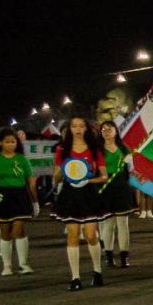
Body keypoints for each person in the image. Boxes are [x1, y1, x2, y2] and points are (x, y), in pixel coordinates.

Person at [54, 116, 109, 289]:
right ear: (69, 129)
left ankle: (97, 271)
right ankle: (75, 278)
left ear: (86, 128)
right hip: (70, 193)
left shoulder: (94, 149)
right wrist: (62, 171)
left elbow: (104, 176)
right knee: (72, 234)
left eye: (81, 126)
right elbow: (56, 177)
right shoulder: (62, 149)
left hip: (88, 193)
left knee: (91, 234)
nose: (78, 129)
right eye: (74, 126)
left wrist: (88, 180)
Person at [0, 127, 38, 275]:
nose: (11, 144)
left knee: (19, 229)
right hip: (0, 197)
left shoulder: (22, 159)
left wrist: (35, 202)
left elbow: (31, 182)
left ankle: (23, 264)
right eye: (7, 142)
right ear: (0, 143)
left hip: (20, 196)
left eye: (13, 142)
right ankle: (7, 266)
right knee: (5, 232)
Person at [97, 120, 137, 269]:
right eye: (103, 129)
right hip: (105, 187)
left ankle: (124, 256)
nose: (106, 132)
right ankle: (108, 256)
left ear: (116, 131)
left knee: (123, 224)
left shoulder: (124, 149)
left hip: (121, 187)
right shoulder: (98, 150)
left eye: (110, 129)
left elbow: (131, 170)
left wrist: (135, 172)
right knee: (108, 224)